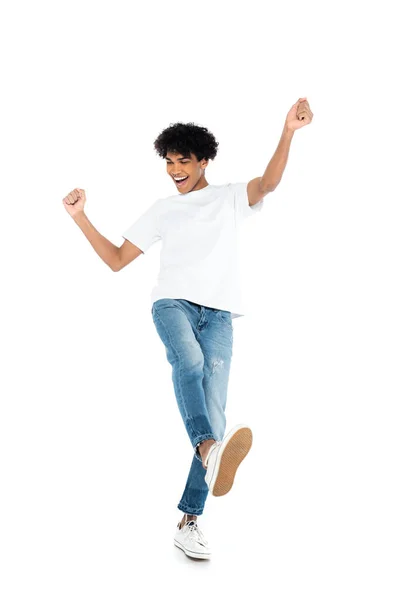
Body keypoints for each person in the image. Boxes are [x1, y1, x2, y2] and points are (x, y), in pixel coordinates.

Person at [62, 99, 313, 560]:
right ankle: (207, 450)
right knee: (190, 364)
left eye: (184, 161)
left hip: (219, 314)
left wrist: (288, 131)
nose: (175, 169)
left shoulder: (230, 197)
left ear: (204, 162)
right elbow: (118, 260)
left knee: (215, 412)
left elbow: (270, 182)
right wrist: (80, 219)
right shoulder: (162, 209)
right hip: (171, 303)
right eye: (169, 162)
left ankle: (189, 520)